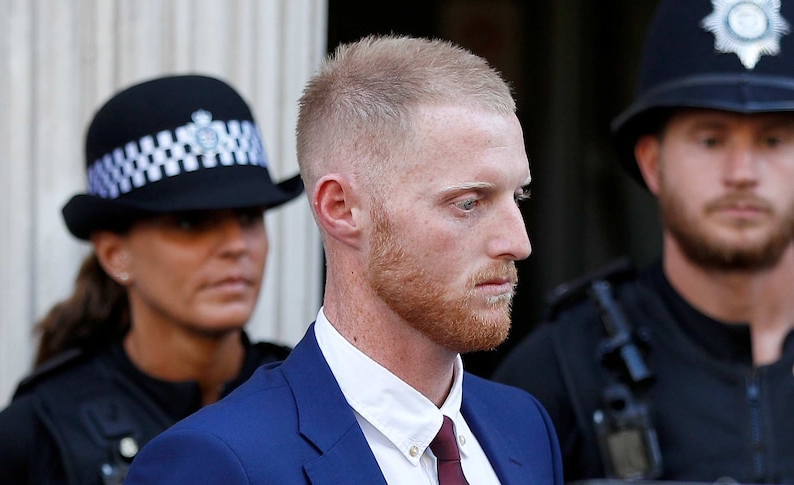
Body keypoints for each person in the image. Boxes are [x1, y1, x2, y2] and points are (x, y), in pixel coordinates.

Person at [123, 35, 563, 485]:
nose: (518, 241)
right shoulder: (218, 462)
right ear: (341, 208)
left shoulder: (524, 425)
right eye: (468, 203)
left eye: (519, 195)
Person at [493, 0, 794, 483]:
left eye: (774, 141)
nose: (742, 175)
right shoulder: (562, 369)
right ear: (653, 163)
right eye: (710, 140)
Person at [0, 74, 304, 485]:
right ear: (114, 254)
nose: (235, 245)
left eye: (249, 217)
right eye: (191, 222)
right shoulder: (36, 434)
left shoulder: (312, 397)